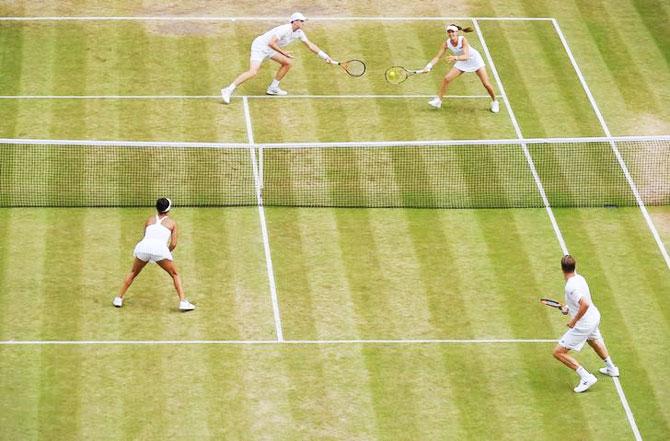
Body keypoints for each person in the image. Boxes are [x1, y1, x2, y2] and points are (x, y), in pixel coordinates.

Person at [221, 12, 336, 103]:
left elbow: (310, 45)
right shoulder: (285, 29)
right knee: (253, 72)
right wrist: (283, 52)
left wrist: (325, 56)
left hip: (271, 48)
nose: (303, 22)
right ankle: (228, 89)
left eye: (303, 21)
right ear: (294, 21)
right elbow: (271, 43)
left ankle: (273, 88)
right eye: (301, 21)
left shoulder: (299, 32)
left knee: (288, 63)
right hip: (260, 46)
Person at [113, 198, 195, 311]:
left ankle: (118, 298)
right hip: (159, 250)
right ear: (168, 209)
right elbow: (174, 244)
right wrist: (165, 252)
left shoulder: (149, 220)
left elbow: (146, 237)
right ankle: (183, 302)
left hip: (144, 247)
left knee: (133, 272)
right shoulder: (172, 223)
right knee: (175, 274)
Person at [552, 255, 619, 393]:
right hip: (594, 317)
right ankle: (612, 368)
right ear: (574, 267)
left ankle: (586, 377)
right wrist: (567, 309)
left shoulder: (570, 286)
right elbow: (581, 302)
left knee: (558, 352)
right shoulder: (580, 278)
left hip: (584, 323)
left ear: (562, 269)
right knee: (593, 340)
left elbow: (585, 303)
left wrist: (573, 320)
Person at [419, 24, 499, 112]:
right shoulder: (446, 43)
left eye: (452, 32)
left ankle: (495, 102)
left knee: (486, 84)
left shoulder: (463, 40)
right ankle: (438, 100)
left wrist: (455, 58)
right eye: (449, 32)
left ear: (456, 32)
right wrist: (428, 66)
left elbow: (466, 56)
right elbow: (437, 57)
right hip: (462, 61)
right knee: (447, 79)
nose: (450, 34)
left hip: (475, 60)